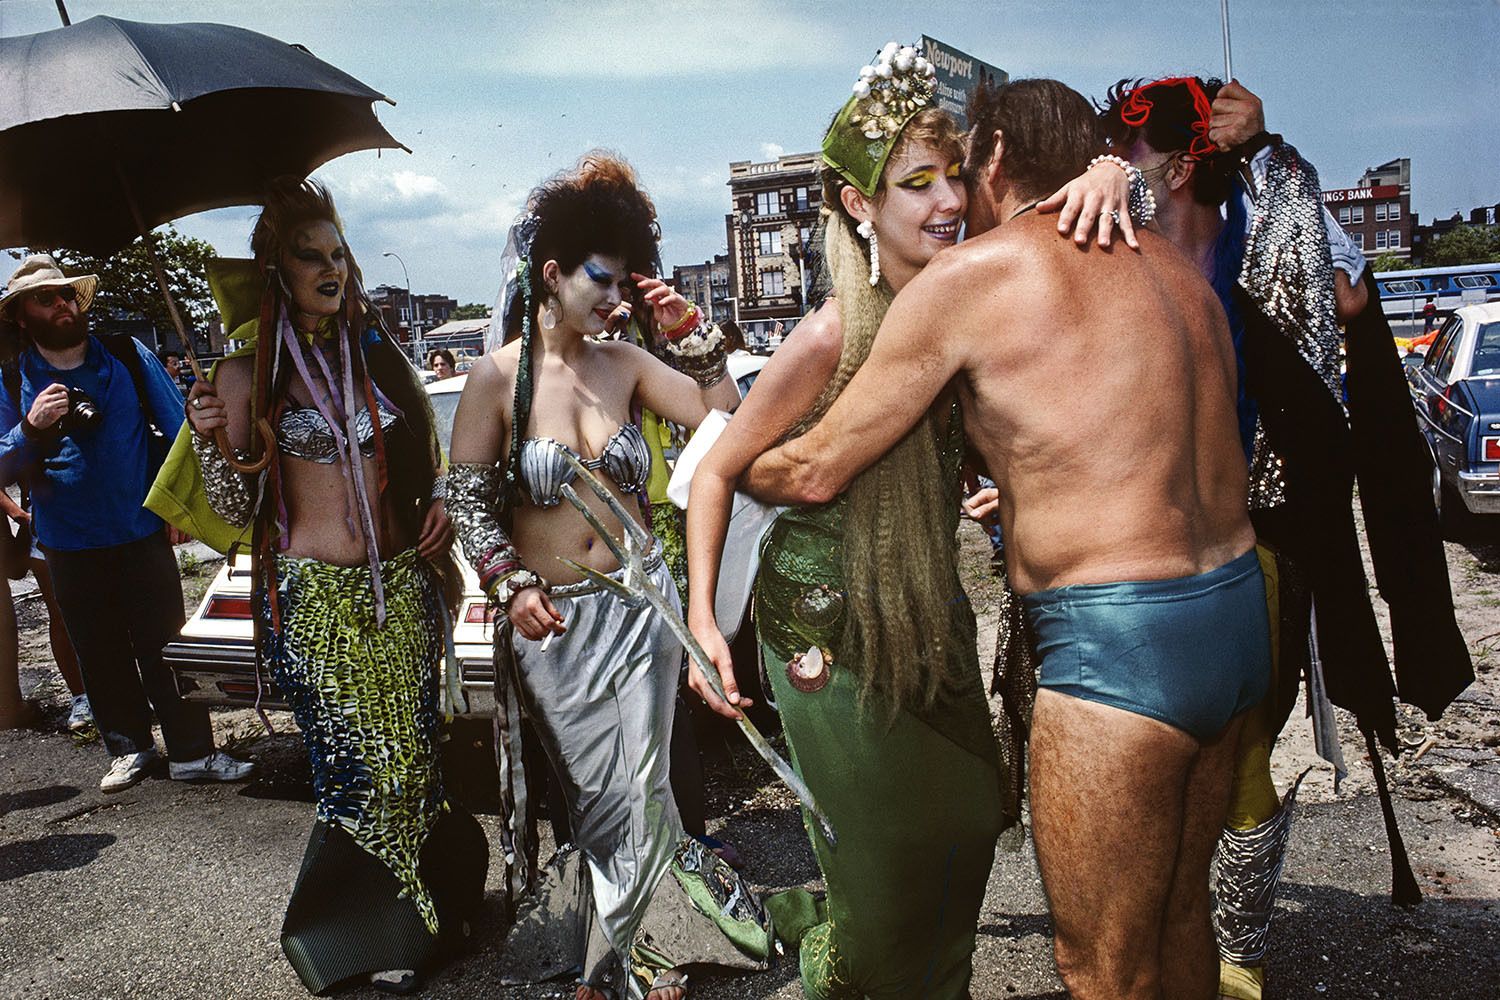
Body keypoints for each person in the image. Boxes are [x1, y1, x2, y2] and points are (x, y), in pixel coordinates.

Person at [745, 78, 1269, 999]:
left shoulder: (977, 278)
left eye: (960, 174)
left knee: (1100, 967)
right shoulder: (1176, 268)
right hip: (1231, 616)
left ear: (991, 159)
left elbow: (818, 467)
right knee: (1185, 922)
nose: (951, 203)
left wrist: (730, 454)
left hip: (1120, 645)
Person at [684, 47, 1135, 1000]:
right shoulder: (831, 332)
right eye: (913, 184)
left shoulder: (960, 296)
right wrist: (700, 629)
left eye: (953, 177)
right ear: (860, 206)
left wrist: (1111, 168)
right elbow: (720, 471)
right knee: (887, 875)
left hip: (924, 609)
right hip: (825, 633)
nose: (944, 200)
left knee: (971, 820)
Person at [1100, 75, 1472, 1000]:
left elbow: (1341, 301)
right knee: (1143, 757)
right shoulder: (1104, 246)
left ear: (1184, 164)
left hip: (1251, 538)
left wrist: (1269, 152)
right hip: (1126, 546)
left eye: (1133, 151)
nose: (1115, 165)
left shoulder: (1265, 236)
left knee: (1242, 752)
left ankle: (1241, 960)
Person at [446, 153, 769, 1000]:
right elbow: (470, 506)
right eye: (601, 280)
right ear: (551, 274)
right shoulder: (496, 380)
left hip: (644, 608)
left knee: (648, 781)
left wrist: (695, 340)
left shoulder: (624, 362)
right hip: (555, 623)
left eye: (623, 281)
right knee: (592, 791)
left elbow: (721, 421)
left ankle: (630, 957)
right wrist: (510, 584)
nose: (615, 298)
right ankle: (615, 945)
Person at [152, 178, 487, 995]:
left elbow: (430, 459)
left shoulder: (374, 353)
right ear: (277, 271)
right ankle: (355, 937)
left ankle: (436, 915)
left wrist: (439, 502)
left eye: (339, 253)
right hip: (313, 605)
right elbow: (234, 510)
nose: (332, 269)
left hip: (401, 591)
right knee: (354, 771)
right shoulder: (242, 373)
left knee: (414, 761)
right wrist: (207, 440)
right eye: (312, 257)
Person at [0, 254, 250, 793]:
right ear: (21, 315)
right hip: (66, 540)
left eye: (67, 294)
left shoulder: (123, 354)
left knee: (165, 644)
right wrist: (30, 426)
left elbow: (180, 427)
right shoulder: (10, 376)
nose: (63, 305)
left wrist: (176, 504)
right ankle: (129, 749)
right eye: (46, 298)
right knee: (99, 650)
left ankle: (193, 753)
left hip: (141, 530)